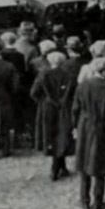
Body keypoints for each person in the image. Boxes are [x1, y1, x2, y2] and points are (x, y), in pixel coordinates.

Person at [72, 57, 105, 209]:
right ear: (104, 71)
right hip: (102, 128)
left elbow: (75, 108)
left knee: (84, 163)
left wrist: (74, 126)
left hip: (84, 126)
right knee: (99, 166)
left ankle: (84, 201)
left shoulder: (83, 85)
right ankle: (98, 203)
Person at [30, 50, 74, 180]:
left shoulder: (43, 75)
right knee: (62, 134)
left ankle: (56, 168)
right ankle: (60, 166)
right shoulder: (69, 75)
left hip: (48, 107)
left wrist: (42, 101)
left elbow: (33, 92)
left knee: (51, 134)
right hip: (65, 108)